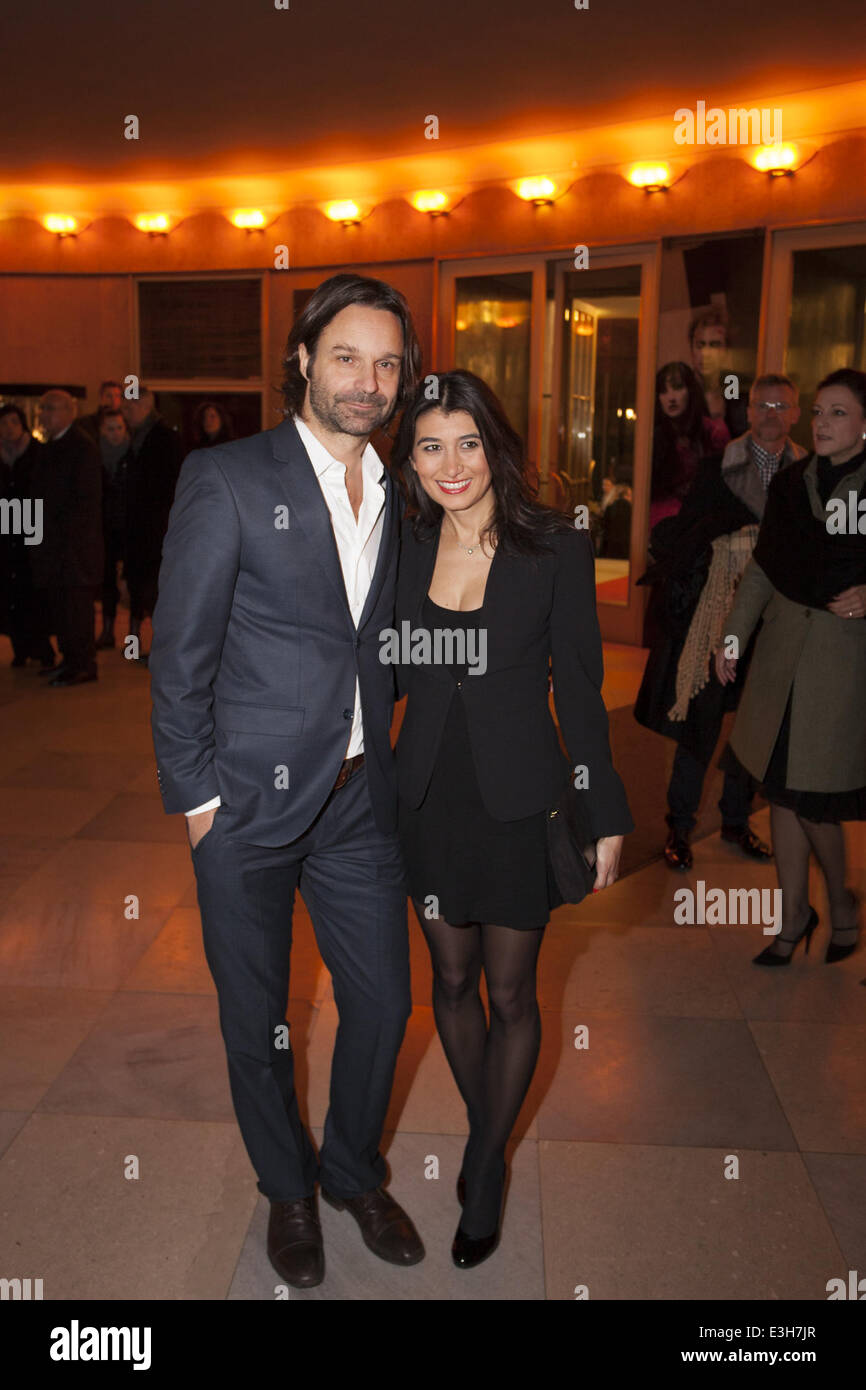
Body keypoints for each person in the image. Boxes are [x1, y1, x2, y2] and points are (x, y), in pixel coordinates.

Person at [149, 272, 424, 1290]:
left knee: (385, 1004)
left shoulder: (399, 488)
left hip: (356, 795)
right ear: (304, 360)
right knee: (259, 1019)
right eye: (347, 356)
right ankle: (288, 1188)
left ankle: (351, 1169)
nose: (369, 380)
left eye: (387, 362)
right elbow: (179, 654)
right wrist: (198, 805)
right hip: (247, 803)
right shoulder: (227, 477)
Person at [391, 369, 633, 1268]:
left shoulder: (554, 546)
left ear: (495, 445)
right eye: (428, 446)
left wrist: (602, 807)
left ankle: (484, 1163)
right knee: (447, 985)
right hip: (426, 794)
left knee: (510, 991)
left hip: (520, 793)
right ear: (409, 459)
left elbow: (578, 682)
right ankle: (488, 1132)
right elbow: (379, 668)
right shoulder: (405, 545)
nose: (451, 465)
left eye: (466, 443)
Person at [715, 367, 866, 966]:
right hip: (780, 660)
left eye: (839, 412)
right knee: (777, 793)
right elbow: (764, 568)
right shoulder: (794, 481)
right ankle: (793, 916)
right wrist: (732, 638)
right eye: (821, 411)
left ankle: (843, 901)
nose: (822, 423)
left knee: (813, 799)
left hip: (839, 666)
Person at [636, 374, 807, 870]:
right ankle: (679, 826)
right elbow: (688, 531)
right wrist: (734, 538)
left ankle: (736, 819)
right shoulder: (717, 469)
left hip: (776, 619)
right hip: (718, 617)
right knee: (702, 721)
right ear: (748, 410)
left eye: (782, 404)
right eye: (761, 404)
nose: (771, 413)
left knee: (754, 724)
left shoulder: (809, 475)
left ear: (795, 413)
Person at [29, 390, 103, 686]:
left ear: (67, 412)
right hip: (54, 547)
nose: (43, 415)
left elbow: (83, 502)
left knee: (76, 610)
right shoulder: (50, 447)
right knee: (61, 608)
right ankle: (70, 659)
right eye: (42, 409)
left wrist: (61, 540)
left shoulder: (81, 448)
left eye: (48, 409)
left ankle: (83, 664)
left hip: (73, 549)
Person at [120, 389, 183, 662]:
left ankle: (162, 651)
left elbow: (168, 487)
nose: (124, 412)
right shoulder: (137, 439)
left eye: (129, 407)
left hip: (156, 532)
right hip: (141, 531)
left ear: (145, 406)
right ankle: (136, 646)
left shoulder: (163, 439)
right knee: (139, 592)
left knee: (157, 595)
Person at [0, 405, 55, 668]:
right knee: (9, 592)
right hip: (5, 528)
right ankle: (19, 647)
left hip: (31, 526)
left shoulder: (37, 453)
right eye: (4, 423)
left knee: (34, 591)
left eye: (13, 422)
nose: (8, 428)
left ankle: (42, 648)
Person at [650, 361, 729, 528]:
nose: (671, 397)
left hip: (702, 519)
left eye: (678, 388)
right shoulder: (652, 437)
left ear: (690, 391)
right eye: (663, 391)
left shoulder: (712, 432)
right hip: (660, 523)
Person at [95, 409, 131, 650]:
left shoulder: (134, 453)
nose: (115, 433)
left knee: (133, 580)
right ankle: (107, 630)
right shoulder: (95, 456)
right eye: (110, 428)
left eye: (119, 427)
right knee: (107, 580)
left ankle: (133, 633)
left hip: (129, 526)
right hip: (104, 527)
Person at [688, 308, 749, 439]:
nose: (706, 354)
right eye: (700, 345)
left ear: (727, 351)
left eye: (714, 345)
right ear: (692, 349)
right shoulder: (682, 389)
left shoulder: (736, 389)